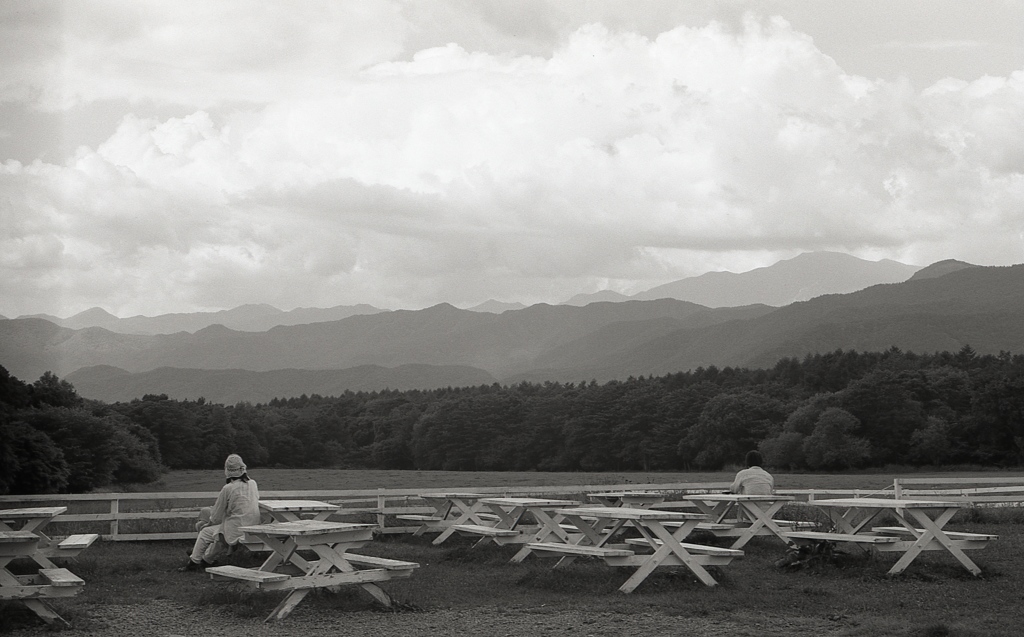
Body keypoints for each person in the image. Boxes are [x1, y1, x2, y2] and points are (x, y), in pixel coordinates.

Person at [180, 454, 261, 572]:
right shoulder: (253, 483)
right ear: (243, 469)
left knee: (205, 532)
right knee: (219, 533)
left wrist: (207, 524)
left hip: (237, 528)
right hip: (252, 526)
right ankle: (207, 560)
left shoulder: (228, 488)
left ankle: (193, 562)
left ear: (227, 471)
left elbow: (216, 516)